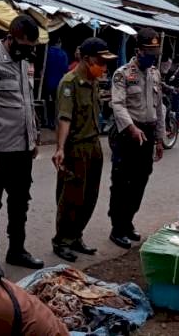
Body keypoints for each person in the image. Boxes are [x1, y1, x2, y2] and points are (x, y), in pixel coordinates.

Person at [0, 14, 44, 271]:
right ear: (11, 37)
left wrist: (34, 137)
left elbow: (27, 104)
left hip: (22, 150)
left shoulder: (26, 62)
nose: (29, 51)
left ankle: (17, 250)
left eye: (32, 47)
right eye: (25, 45)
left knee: (20, 202)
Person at [51, 38, 116, 262]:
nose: (104, 67)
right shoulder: (69, 83)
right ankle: (62, 240)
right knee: (71, 197)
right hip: (76, 147)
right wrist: (60, 148)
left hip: (94, 144)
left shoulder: (93, 80)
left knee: (90, 196)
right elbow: (64, 118)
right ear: (87, 60)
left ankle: (76, 236)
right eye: (101, 62)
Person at [108, 27, 165, 249]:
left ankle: (128, 222)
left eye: (156, 50)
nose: (153, 55)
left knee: (141, 180)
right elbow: (117, 104)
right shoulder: (122, 74)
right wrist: (131, 128)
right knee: (122, 181)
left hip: (148, 133)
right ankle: (117, 228)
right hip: (127, 134)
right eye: (149, 50)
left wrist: (159, 139)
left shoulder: (154, 73)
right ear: (139, 50)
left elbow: (159, 108)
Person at [44, 37, 69, 129]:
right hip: (59, 83)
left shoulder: (47, 52)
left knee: (49, 103)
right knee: (58, 103)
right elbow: (65, 68)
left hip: (48, 82)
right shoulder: (63, 53)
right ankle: (57, 123)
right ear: (59, 43)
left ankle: (49, 122)